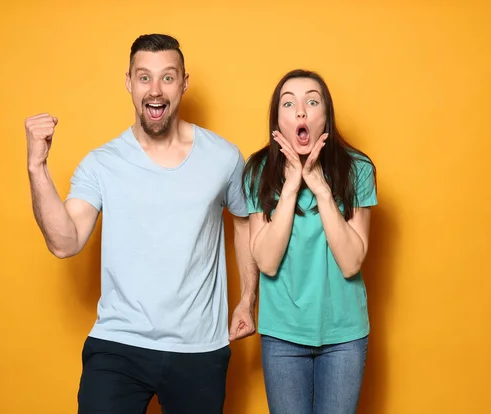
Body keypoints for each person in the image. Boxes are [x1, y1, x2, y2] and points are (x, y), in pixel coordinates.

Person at [24, 33, 258, 414]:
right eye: (144, 77)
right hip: (119, 345)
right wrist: (37, 166)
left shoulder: (224, 157)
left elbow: (245, 222)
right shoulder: (102, 163)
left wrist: (248, 299)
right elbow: (64, 242)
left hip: (198, 348)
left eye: (167, 77)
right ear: (129, 82)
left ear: (184, 82)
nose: (156, 89)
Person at [243, 69, 378, 414]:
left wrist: (319, 187)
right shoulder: (258, 170)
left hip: (344, 335)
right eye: (289, 104)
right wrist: (290, 187)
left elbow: (351, 262)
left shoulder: (357, 168)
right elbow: (267, 261)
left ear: (325, 116)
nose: (301, 111)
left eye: (312, 101)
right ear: (277, 120)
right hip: (283, 335)